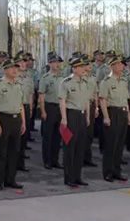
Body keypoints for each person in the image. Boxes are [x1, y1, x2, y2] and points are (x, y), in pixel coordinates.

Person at [0, 59, 26, 191]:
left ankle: (10, 179)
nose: (15, 70)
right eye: (11, 68)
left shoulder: (18, 85)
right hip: (3, 118)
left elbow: (21, 105)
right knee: (0, 152)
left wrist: (23, 122)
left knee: (13, 152)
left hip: (16, 119)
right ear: (4, 70)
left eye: (16, 67)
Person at [98, 56, 130, 182]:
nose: (121, 66)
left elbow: (125, 100)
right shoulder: (106, 81)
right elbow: (102, 100)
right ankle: (108, 172)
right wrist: (106, 117)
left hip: (122, 112)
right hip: (112, 112)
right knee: (111, 145)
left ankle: (117, 171)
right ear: (112, 66)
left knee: (119, 145)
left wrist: (128, 116)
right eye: (118, 64)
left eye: (121, 64)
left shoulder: (123, 81)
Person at [58, 57, 90, 188]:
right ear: (74, 68)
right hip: (71, 116)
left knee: (80, 147)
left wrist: (87, 116)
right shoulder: (66, 82)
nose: (84, 69)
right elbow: (62, 101)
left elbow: (87, 101)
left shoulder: (85, 83)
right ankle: (69, 177)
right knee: (69, 147)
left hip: (82, 115)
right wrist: (64, 118)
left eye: (84, 67)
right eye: (81, 67)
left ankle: (78, 176)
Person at [38, 54, 64, 169]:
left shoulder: (63, 78)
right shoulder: (45, 78)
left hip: (60, 108)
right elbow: (41, 95)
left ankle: (55, 160)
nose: (57, 65)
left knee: (58, 135)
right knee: (48, 135)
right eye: (54, 62)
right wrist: (43, 111)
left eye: (58, 62)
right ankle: (47, 160)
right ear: (50, 64)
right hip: (49, 107)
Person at [16, 53, 34, 172]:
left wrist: (31, 108)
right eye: (21, 62)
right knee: (15, 138)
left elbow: (31, 94)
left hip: (26, 108)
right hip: (15, 109)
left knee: (24, 136)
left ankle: (21, 163)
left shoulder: (29, 77)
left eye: (25, 62)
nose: (23, 64)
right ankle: (13, 163)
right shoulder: (13, 78)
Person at [83, 55, 98, 167]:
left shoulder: (93, 78)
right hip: (81, 106)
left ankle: (88, 157)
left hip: (91, 105)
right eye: (88, 64)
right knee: (80, 133)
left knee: (89, 133)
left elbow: (95, 93)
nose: (91, 66)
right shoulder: (80, 78)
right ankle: (80, 157)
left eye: (92, 65)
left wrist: (96, 107)